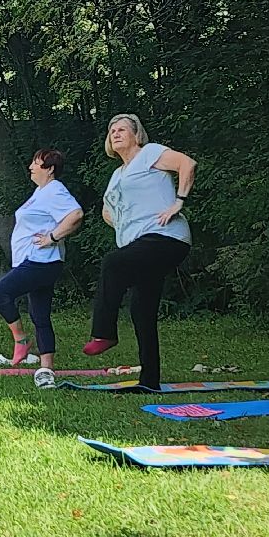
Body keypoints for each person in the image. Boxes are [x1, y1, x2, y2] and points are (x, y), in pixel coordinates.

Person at [83, 114, 196, 393]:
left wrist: (178, 203)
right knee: (142, 310)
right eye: (112, 130)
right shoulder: (117, 175)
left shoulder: (150, 154)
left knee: (113, 263)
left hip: (166, 237)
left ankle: (104, 333)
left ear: (137, 135)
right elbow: (107, 211)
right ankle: (150, 381)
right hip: (139, 243)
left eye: (122, 129)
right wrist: (120, 221)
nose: (115, 133)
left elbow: (187, 164)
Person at [0, 149, 84, 389]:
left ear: (50, 168)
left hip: (42, 261)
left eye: (36, 162)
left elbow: (76, 215)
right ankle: (46, 367)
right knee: (39, 314)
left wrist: (53, 237)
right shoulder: (40, 191)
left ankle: (21, 340)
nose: (31, 166)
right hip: (37, 260)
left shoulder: (55, 190)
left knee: (0, 293)